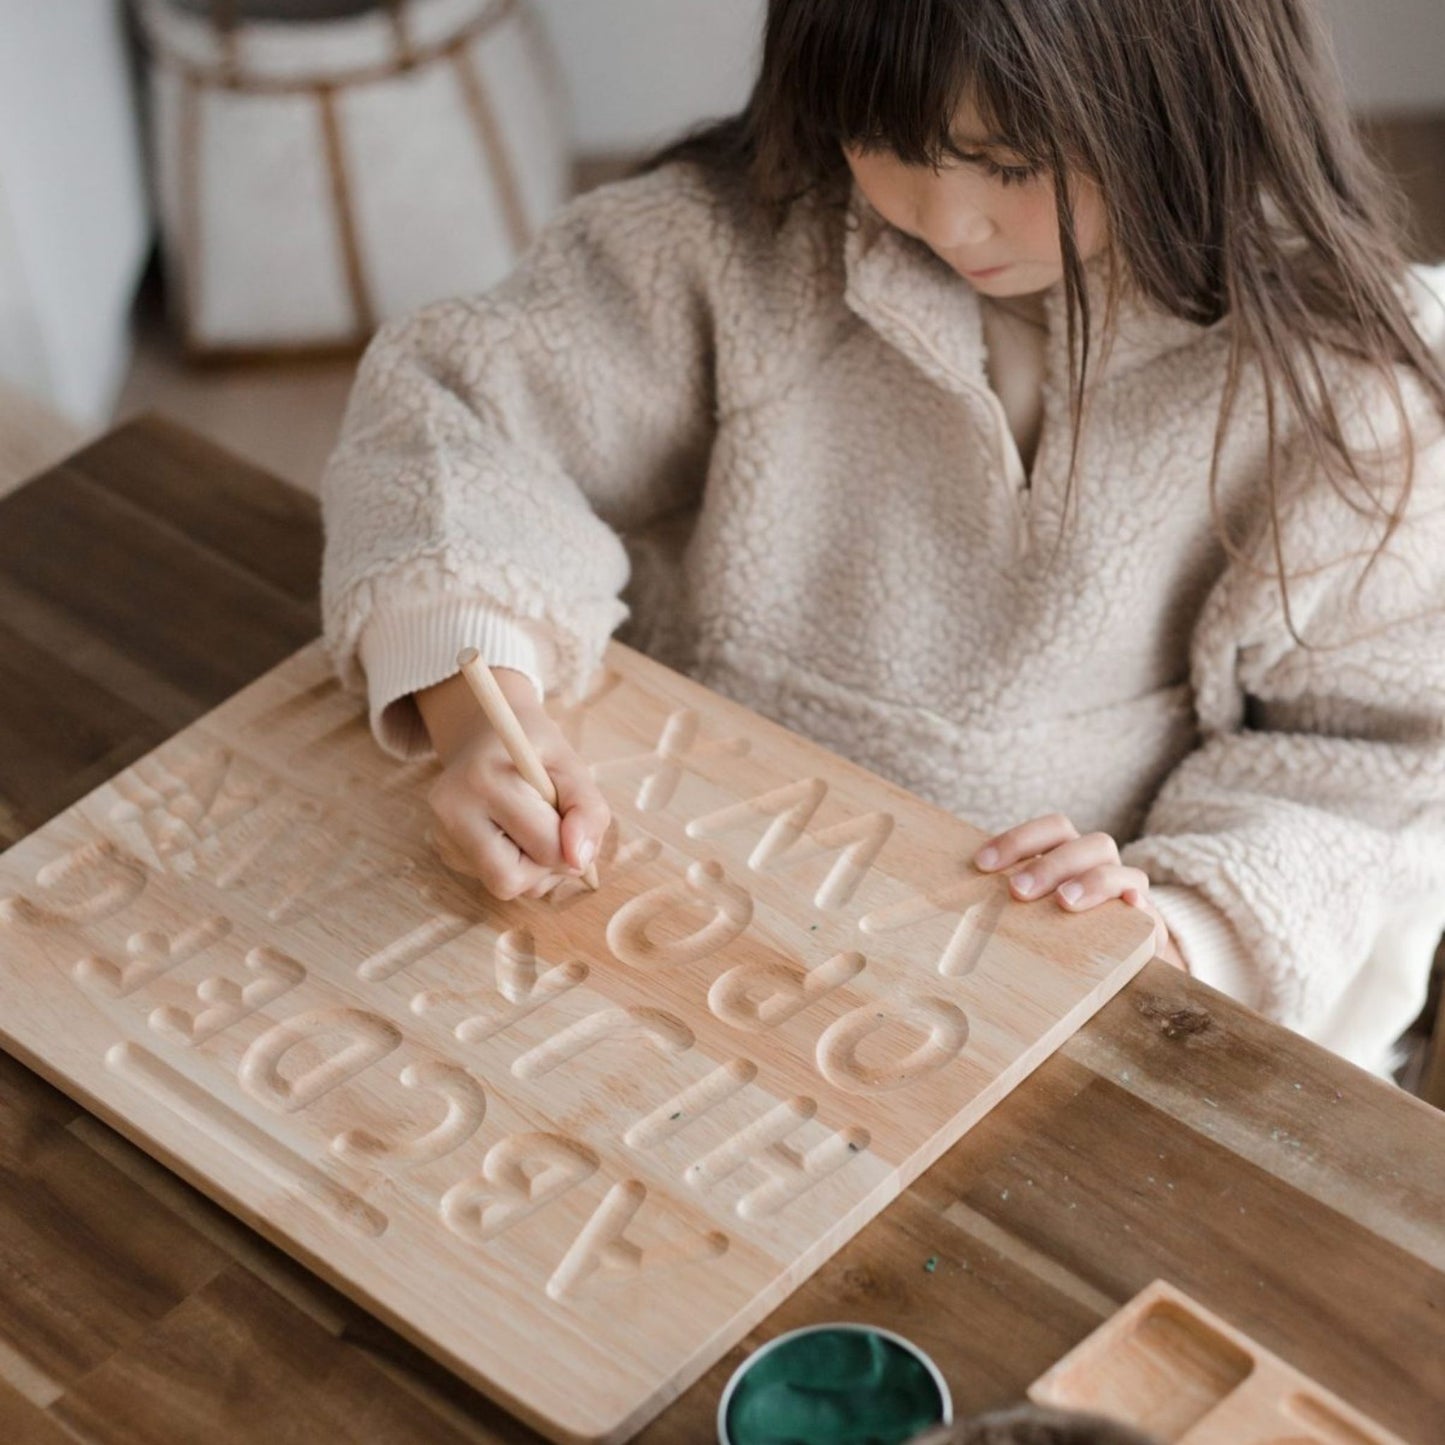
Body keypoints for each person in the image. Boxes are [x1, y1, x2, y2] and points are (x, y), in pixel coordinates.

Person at [320, 0, 1445, 1077]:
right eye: (882, 136)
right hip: (673, 890)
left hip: (1030, 999)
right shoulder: (732, 240)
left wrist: (1173, 924)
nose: (946, 220)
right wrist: (481, 710)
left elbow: (1373, 761)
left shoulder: (1339, 388)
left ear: (1187, 100)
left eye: (1008, 165)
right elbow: (454, 415)